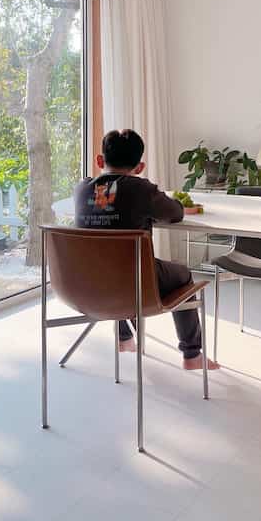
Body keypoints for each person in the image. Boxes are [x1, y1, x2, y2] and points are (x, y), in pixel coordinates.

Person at [74, 129, 219, 371]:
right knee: (182, 273)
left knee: (111, 265)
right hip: (134, 282)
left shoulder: (81, 189)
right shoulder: (141, 190)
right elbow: (175, 214)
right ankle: (191, 354)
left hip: (87, 284)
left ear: (100, 161)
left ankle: (124, 338)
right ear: (140, 167)